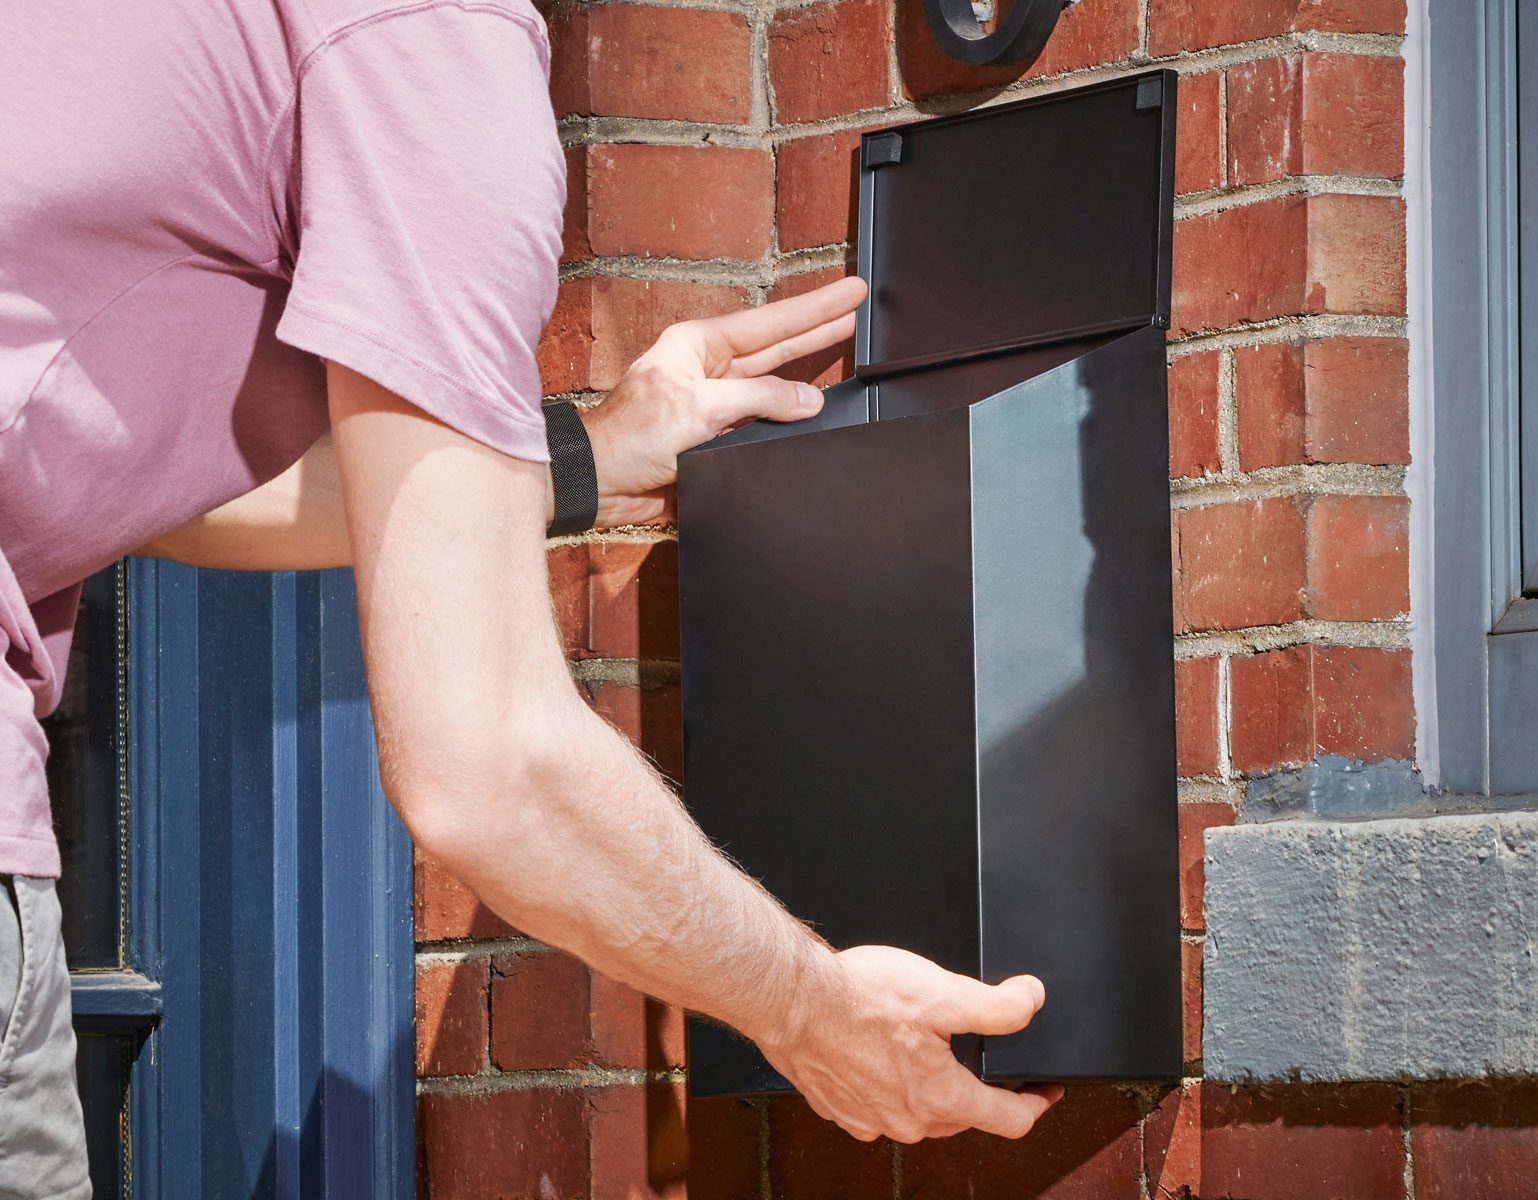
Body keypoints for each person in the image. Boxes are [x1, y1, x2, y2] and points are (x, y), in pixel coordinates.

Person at [0, 0, 1058, 1193]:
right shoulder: (429, 33)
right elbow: (485, 768)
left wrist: (577, 457)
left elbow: (113, 467)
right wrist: (815, 1011)